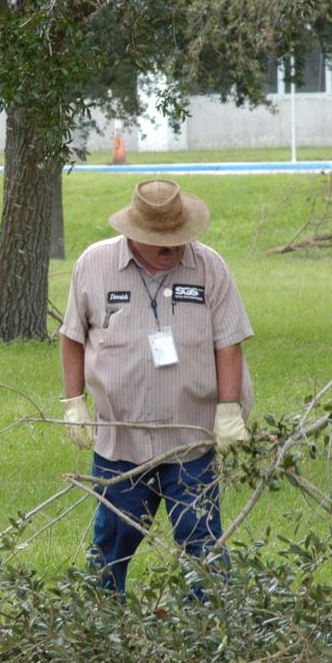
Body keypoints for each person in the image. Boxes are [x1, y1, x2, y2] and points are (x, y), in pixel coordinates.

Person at [58, 179, 254, 593]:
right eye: (163, 244)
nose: (174, 249)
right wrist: (74, 401)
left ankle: (210, 633)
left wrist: (229, 408)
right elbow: (73, 336)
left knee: (202, 544)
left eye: (180, 240)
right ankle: (98, 627)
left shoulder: (210, 267)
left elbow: (229, 343)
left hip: (191, 440)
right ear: (134, 235)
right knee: (111, 545)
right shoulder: (93, 265)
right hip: (121, 442)